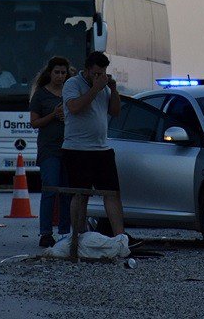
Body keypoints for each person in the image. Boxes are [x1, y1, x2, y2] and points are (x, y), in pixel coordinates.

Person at [61, 51, 139, 257]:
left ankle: (121, 239)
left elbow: (115, 111)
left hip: (101, 149)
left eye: (102, 73)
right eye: (95, 73)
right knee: (81, 194)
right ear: (86, 70)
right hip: (77, 149)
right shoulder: (72, 84)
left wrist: (112, 90)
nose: (99, 77)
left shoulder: (104, 87)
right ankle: (77, 239)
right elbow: (74, 107)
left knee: (112, 193)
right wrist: (95, 88)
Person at [29, 56, 72, 247]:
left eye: (63, 73)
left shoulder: (71, 92)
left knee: (66, 192)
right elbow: (34, 122)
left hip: (70, 148)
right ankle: (45, 232)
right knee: (50, 189)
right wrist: (53, 115)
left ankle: (65, 232)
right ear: (50, 73)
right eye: (57, 72)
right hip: (49, 149)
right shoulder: (40, 95)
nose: (60, 76)